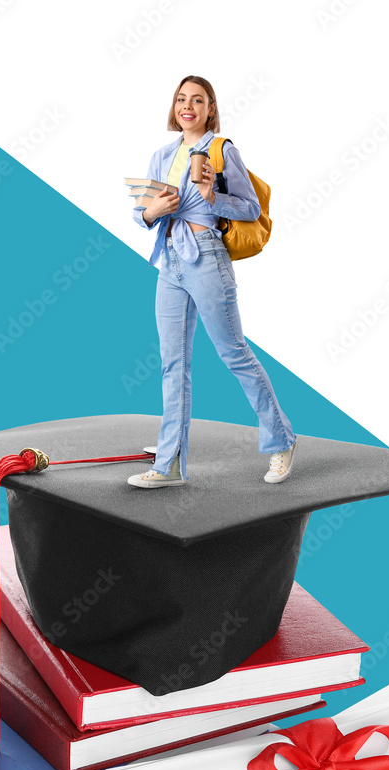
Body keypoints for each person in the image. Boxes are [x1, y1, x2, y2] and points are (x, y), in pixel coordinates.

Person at [127, 74, 297, 489]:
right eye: (182, 99)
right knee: (172, 363)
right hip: (170, 263)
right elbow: (142, 212)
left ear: (210, 109)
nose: (188, 106)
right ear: (174, 108)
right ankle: (168, 463)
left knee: (234, 353)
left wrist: (211, 197)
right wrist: (152, 212)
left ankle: (281, 440)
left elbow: (250, 206)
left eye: (198, 100)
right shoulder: (163, 154)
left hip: (206, 259)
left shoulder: (221, 151)